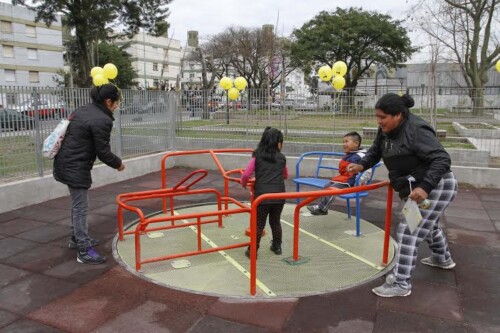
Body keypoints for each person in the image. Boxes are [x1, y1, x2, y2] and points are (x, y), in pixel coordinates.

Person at [347, 93, 457, 298]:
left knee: (408, 230)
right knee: (426, 224)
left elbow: (442, 159)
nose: (379, 121)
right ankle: (442, 258)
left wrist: (425, 187)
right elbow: (374, 152)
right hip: (414, 188)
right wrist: (361, 165)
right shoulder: (385, 131)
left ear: (398, 115)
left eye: (383, 117)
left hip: (436, 186)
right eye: (377, 117)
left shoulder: (417, 130)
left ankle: (401, 283)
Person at [53, 84, 125, 265]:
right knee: (80, 208)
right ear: (109, 102)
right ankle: (84, 251)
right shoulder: (102, 120)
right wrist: (118, 164)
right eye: (116, 103)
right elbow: (103, 152)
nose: (117, 106)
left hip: (66, 162)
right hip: (75, 166)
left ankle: (76, 239)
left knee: (78, 206)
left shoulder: (85, 109)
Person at [240, 127, 288, 258]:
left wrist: (244, 183)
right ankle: (277, 246)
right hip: (279, 195)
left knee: (259, 224)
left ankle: (253, 250)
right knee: (275, 221)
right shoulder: (282, 158)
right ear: (278, 143)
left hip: (262, 197)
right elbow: (285, 175)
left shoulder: (257, 157)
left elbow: (246, 175)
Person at [307, 131, 367, 215]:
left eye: (346, 141)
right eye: (343, 142)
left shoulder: (361, 156)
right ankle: (320, 206)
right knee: (327, 186)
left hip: (351, 182)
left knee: (332, 189)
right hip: (345, 179)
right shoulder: (350, 154)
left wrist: (360, 182)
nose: (343, 144)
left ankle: (322, 209)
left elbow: (367, 170)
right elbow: (343, 170)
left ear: (356, 143)